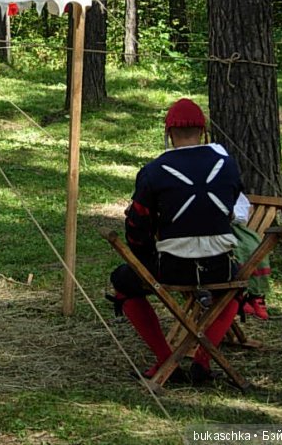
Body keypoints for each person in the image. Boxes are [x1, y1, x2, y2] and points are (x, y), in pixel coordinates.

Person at [109, 98, 244, 384]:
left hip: (170, 268)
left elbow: (137, 225)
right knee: (237, 285)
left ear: (168, 133)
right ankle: (202, 362)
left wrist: (145, 256)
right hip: (218, 267)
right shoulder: (228, 165)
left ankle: (165, 360)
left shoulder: (154, 171)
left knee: (123, 282)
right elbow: (231, 209)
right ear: (204, 131)